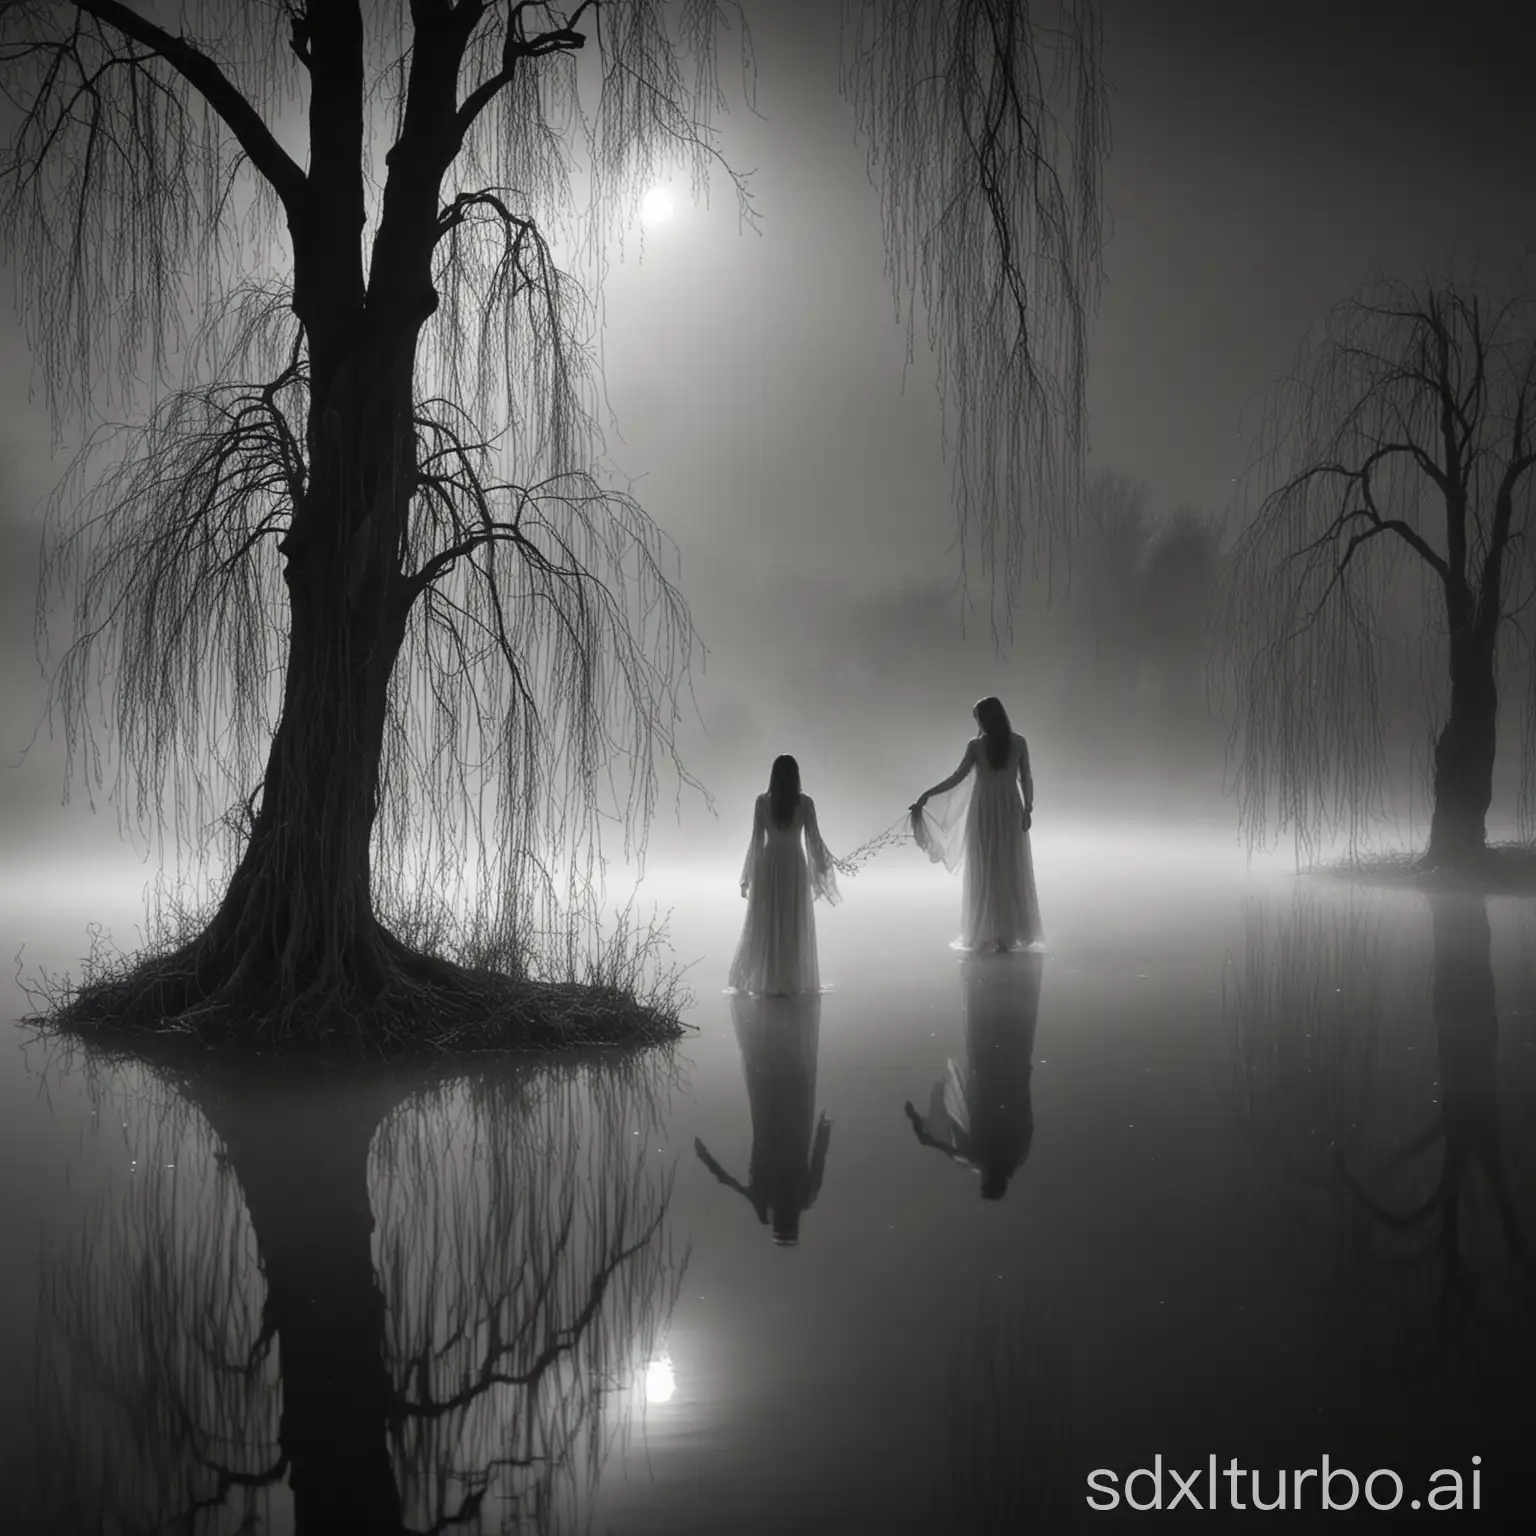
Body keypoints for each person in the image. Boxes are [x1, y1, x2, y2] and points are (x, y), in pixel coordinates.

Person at [904, 950, 1043, 1200]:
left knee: (991, 1047)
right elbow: (1026, 1119)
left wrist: (917, 1121)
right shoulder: (1007, 1155)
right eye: (987, 1182)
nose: (984, 1177)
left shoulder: (983, 1158)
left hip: (994, 1091)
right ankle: (995, 988)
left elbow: (939, 1145)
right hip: (1000, 1091)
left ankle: (991, 987)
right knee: (994, 1048)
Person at [694, 991, 831, 1245]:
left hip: (777, 1129)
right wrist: (824, 1129)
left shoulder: (776, 1201)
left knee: (777, 1081)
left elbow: (728, 1180)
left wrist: (706, 1158)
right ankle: (776, 1027)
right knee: (779, 1081)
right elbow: (818, 1160)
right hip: (787, 1131)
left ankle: (773, 1027)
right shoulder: (795, 1199)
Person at [910, 696, 1042, 951]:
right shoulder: (1015, 742)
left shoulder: (980, 746)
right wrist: (1027, 807)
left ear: (985, 718)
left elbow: (957, 777)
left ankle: (993, 931)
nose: (976, 724)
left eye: (977, 718)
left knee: (990, 867)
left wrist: (927, 794)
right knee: (1006, 866)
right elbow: (1026, 777)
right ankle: (1005, 933)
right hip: (1007, 807)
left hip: (986, 810)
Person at [728, 754, 839, 996]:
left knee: (768, 921)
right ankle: (790, 980)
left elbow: (757, 841)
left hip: (769, 864)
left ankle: (769, 980)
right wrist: (825, 864)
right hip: (794, 865)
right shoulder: (806, 803)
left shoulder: (762, 802)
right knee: (791, 920)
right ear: (796, 776)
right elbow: (814, 840)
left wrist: (748, 875)